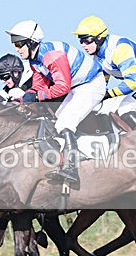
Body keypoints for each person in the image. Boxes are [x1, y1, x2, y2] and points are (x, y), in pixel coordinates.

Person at [6, 20, 106, 185]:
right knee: (56, 122)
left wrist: (38, 97)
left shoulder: (52, 56)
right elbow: (39, 86)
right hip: (78, 87)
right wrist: (23, 99)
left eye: (19, 44)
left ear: (31, 43)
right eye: (14, 44)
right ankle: (65, 161)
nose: (16, 49)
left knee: (65, 123)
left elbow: (62, 87)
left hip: (91, 85)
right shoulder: (34, 60)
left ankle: (71, 169)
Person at [73, 16, 136, 130]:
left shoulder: (120, 50)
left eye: (87, 40)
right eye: (81, 41)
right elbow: (101, 82)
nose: (83, 45)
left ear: (99, 38)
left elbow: (130, 85)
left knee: (125, 109)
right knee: (103, 109)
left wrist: (107, 94)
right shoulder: (98, 56)